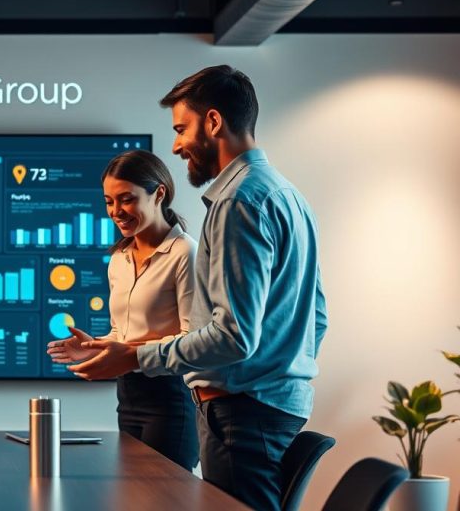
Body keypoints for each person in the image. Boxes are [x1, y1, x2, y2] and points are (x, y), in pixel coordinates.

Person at [68, 65, 328, 511]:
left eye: (181, 129)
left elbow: (233, 337)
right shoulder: (287, 194)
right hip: (273, 405)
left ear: (213, 122)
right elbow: (315, 316)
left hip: (242, 410)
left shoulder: (236, 201)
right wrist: (280, 368)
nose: (175, 146)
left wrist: (133, 355)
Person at [46, 150, 198, 471]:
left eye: (126, 199)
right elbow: (122, 332)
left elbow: (193, 340)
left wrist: (127, 352)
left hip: (170, 399)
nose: (116, 211)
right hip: (128, 397)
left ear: (159, 194)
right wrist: (92, 346)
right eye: (108, 201)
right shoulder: (119, 258)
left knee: (161, 500)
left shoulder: (185, 253)